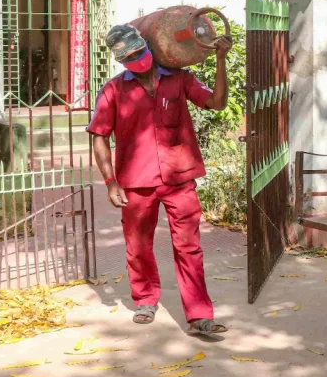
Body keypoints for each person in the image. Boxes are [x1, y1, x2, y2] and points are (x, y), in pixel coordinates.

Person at [87, 24, 231, 335]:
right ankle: (145, 300)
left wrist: (220, 59)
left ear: (147, 46)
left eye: (140, 52)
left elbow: (217, 103)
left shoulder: (179, 79)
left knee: (189, 245)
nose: (139, 59)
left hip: (180, 177)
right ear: (121, 62)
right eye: (131, 58)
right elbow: (99, 136)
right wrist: (110, 181)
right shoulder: (114, 91)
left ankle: (199, 315)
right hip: (136, 182)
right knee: (138, 246)